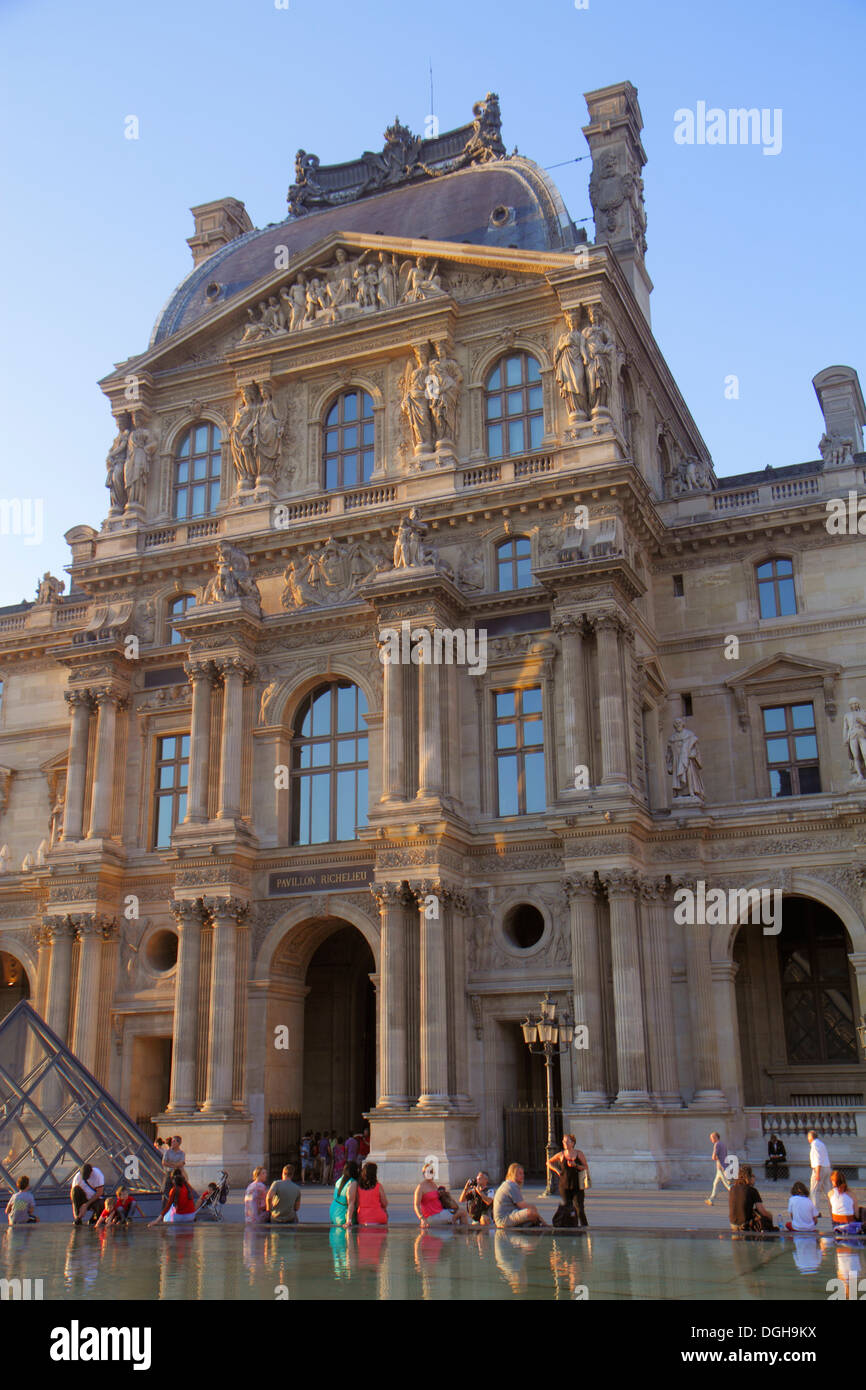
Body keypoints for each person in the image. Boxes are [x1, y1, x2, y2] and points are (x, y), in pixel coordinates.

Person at [547, 1134, 590, 1226]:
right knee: (568, 1208)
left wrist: (576, 1165)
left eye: (567, 1141)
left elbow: (585, 1167)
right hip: (564, 1185)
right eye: (563, 1141)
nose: (565, 1143)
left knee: (580, 1209)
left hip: (577, 1186)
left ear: (573, 1143)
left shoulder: (579, 1154)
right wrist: (557, 1170)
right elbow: (548, 1162)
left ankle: (585, 1228)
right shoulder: (561, 1155)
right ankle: (570, 1226)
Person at [414, 1162, 469, 1228]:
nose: (429, 1174)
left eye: (431, 1172)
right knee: (462, 1213)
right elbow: (416, 1205)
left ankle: (461, 1234)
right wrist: (422, 1218)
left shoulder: (433, 1184)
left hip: (441, 1212)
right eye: (427, 1172)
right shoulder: (420, 1187)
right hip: (432, 1216)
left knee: (462, 1213)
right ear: (424, 1173)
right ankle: (457, 1227)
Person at [493, 1163, 546, 1229]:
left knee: (531, 1211)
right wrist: (538, 1215)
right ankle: (543, 1225)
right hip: (504, 1220)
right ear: (513, 1174)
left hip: (506, 1217)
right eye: (520, 1173)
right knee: (531, 1212)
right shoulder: (511, 1186)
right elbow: (522, 1205)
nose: (523, 1176)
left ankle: (537, 1225)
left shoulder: (507, 1184)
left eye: (523, 1173)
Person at [728, 1165, 775, 1232]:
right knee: (767, 1216)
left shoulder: (732, 1189)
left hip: (733, 1224)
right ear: (749, 1177)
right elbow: (762, 1211)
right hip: (745, 1224)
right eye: (752, 1176)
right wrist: (770, 1216)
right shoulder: (752, 1190)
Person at [349, 1162, 388, 1226]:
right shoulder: (378, 1186)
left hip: (363, 1218)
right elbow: (385, 1203)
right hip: (379, 1217)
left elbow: (357, 1203)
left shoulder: (358, 1187)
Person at [828, 1171, 863, 1236]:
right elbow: (856, 1213)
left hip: (836, 1223)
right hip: (849, 1222)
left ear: (833, 1182)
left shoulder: (830, 1194)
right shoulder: (852, 1194)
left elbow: (831, 1212)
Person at [704, 1131, 731, 1207]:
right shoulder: (723, 1144)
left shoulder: (717, 1145)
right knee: (715, 1183)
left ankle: (737, 1196)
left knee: (727, 1185)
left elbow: (713, 1157)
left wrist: (714, 1157)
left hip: (721, 1167)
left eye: (711, 1138)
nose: (711, 1139)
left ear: (716, 1137)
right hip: (724, 1166)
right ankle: (711, 1199)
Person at [329, 1160, 360, 1227]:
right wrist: (348, 1221)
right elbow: (351, 1203)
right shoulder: (352, 1182)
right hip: (342, 1214)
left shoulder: (340, 1180)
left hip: (333, 1211)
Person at [807, 1130, 831, 1211]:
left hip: (819, 1169)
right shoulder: (821, 1144)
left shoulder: (815, 1145)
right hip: (827, 1167)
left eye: (808, 1137)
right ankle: (833, 1206)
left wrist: (817, 1173)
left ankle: (815, 1211)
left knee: (814, 1190)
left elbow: (817, 1159)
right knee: (828, 1190)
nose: (808, 1138)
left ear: (811, 1137)